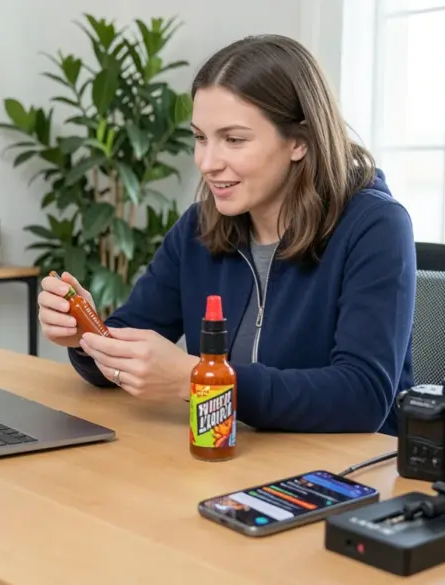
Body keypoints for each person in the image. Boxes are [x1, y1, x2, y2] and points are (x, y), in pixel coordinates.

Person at [36, 34, 416, 436]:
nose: (207, 162)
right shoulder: (199, 227)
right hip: (227, 453)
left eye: (233, 140)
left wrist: (199, 379)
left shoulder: (375, 226)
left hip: (350, 472)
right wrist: (88, 335)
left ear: (299, 142)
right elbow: (132, 348)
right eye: (200, 137)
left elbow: (362, 397)